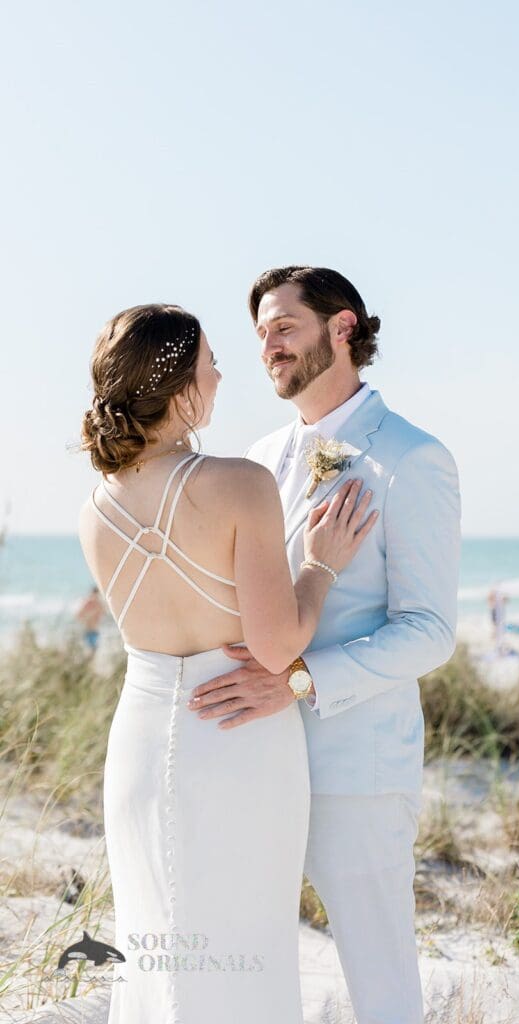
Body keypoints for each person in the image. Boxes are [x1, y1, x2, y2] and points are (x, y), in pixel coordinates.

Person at [77, 303, 377, 1024]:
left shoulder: (94, 507)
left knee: (157, 946)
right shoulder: (239, 483)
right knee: (245, 940)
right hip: (238, 739)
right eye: (209, 361)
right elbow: (277, 647)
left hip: (142, 740)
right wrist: (320, 566)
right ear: (181, 391)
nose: (220, 371)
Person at [187, 267, 462, 1024]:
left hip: (357, 764)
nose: (267, 347)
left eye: (283, 327)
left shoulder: (411, 458)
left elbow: (430, 631)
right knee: (258, 960)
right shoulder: (259, 456)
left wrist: (301, 679)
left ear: (342, 328)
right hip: (258, 752)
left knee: (377, 979)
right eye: (260, 334)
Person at [75, 585, 105, 653]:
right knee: (90, 651)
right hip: (88, 631)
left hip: (95, 631)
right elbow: (78, 615)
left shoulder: (99, 604)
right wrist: (89, 615)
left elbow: (103, 614)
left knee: (93, 651)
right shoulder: (88, 603)